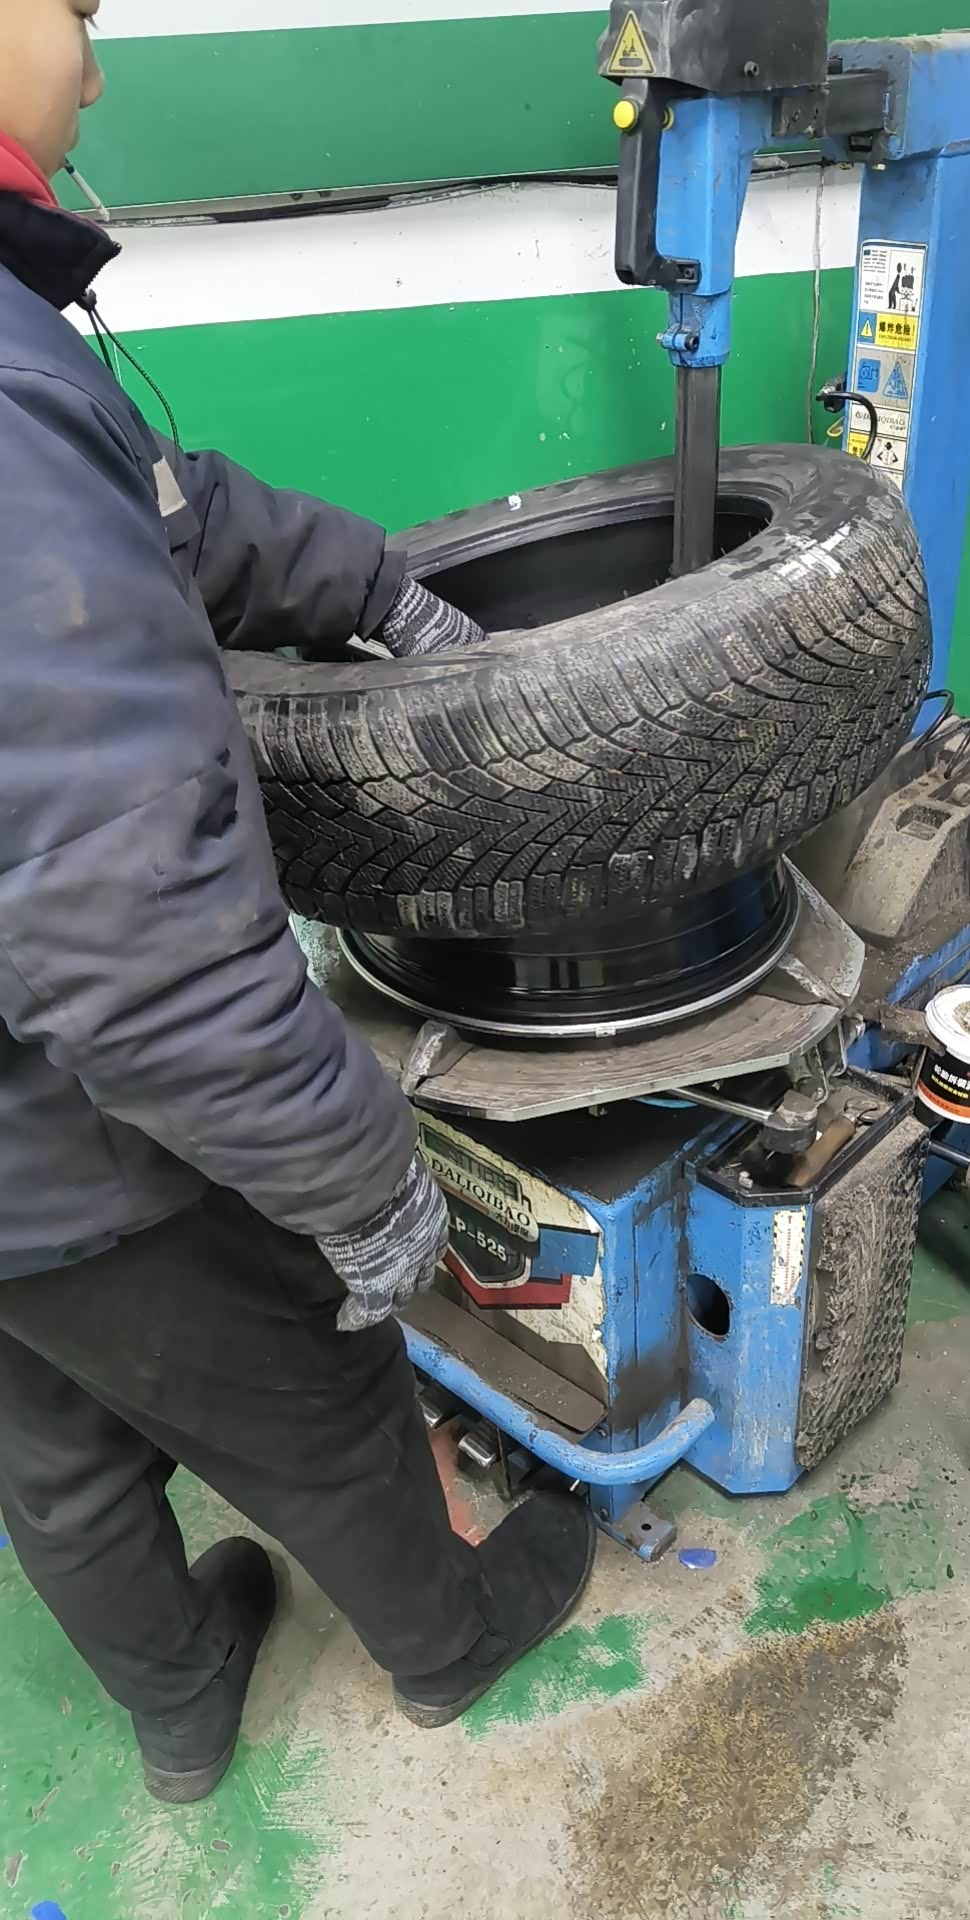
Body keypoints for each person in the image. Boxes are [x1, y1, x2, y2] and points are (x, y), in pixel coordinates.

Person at [0, 0, 594, 1805]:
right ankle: (451, 1639)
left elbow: (158, 516)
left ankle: (181, 1706)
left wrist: (370, 587)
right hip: (70, 1136)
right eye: (79, 13)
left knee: (55, 1448)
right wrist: (356, 1180)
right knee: (316, 1394)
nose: (98, 66)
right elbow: (126, 933)